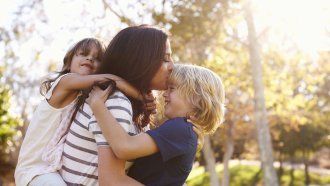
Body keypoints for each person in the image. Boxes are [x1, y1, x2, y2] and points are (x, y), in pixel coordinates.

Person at [14, 38, 142, 186]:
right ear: (68, 63)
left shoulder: (84, 97)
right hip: (34, 170)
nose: (90, 58)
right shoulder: (64, 82)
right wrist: (141, 96)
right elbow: (110, 80)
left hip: (52, 169)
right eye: (83, 53)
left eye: (97, 58)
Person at [59, 25, 174, 185]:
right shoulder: (115, 102)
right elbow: (111, 182)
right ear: (141, 60)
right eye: (165, 59)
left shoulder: (128, 104)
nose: (172, 67)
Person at [87, 64, 226, 186]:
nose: (164, 94)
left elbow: (124, 147)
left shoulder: (181, 128)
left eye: (172, 89)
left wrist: (97, 105)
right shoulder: (184, 130)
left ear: (196, 98)